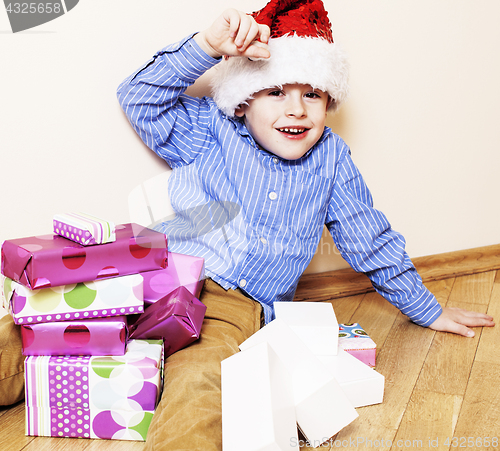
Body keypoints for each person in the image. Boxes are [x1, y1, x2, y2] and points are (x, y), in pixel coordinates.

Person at [0, 1, 493, 450]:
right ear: (243, 101)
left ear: (329, 103)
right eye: (276, 91)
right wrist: (205, 48)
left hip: (231, 304)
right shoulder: (213, 132)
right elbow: (140, 98)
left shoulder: (332, 162)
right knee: (38, 330)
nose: (296, 109)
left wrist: (425, 308)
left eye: (312, 94)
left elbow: (369, 236)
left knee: (202, 386)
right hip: (151, 275)